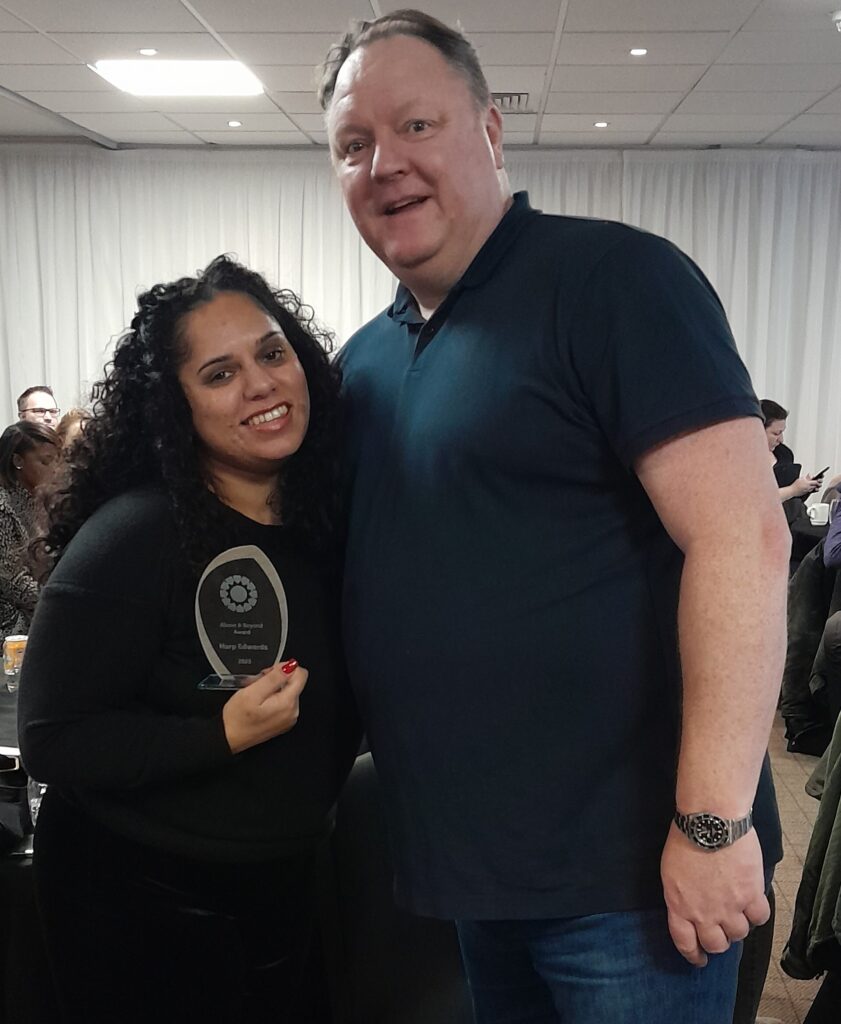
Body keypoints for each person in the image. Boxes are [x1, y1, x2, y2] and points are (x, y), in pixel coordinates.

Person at [319, 10, 789, 1022]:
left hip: (630, 879)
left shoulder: (613, 281)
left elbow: (744, 540)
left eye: (415, 126)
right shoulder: (364, 363)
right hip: (478, 878)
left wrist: (711, 823)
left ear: (489, 132)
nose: (384, 163)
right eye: (353, 144)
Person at [17, 256, 359, 1024]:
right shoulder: (135, 536)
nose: (262, 384)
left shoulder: (323, 524)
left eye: (272, 353)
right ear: (174, 407)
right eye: (218, 374)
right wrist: (220, 735)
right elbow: (51, 738)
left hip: (286, 881)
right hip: (141, 902)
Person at [0, 420, 58, 646]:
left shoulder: (41, 499)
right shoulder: (4, 507)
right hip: (12, 629)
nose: (55, 469)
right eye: (46, 461)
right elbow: (13, 581)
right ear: (17, 461)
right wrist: (58, 599)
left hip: (40, 611)